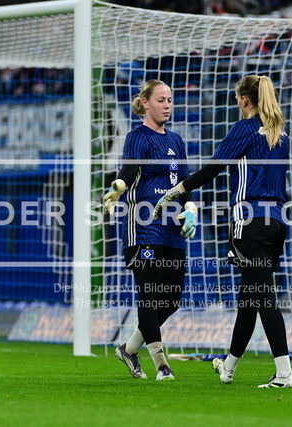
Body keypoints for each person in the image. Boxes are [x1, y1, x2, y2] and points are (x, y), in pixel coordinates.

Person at [154, 75, 292, 388]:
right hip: (277, 223)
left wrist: (179, 189)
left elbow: (214, 167)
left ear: (244, 100)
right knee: (250, 298)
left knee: (263, 297)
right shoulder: (281, 133)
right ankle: (228, 367)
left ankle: (285, 373)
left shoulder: (245, 128)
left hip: (250, 221)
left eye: (237, 100)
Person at [104, 79, 196, 381]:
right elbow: (130, 170)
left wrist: (190, 209)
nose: (167, 105)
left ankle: (129, 349)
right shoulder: (138, 136)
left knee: (171, 301)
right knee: (150, 295)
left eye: (170, 100)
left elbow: (185, 183)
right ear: (145, 103)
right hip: (144, 227)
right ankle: (161, 364)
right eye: (160, 100)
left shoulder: (177, 141)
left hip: (172, 229)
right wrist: (119, 186)